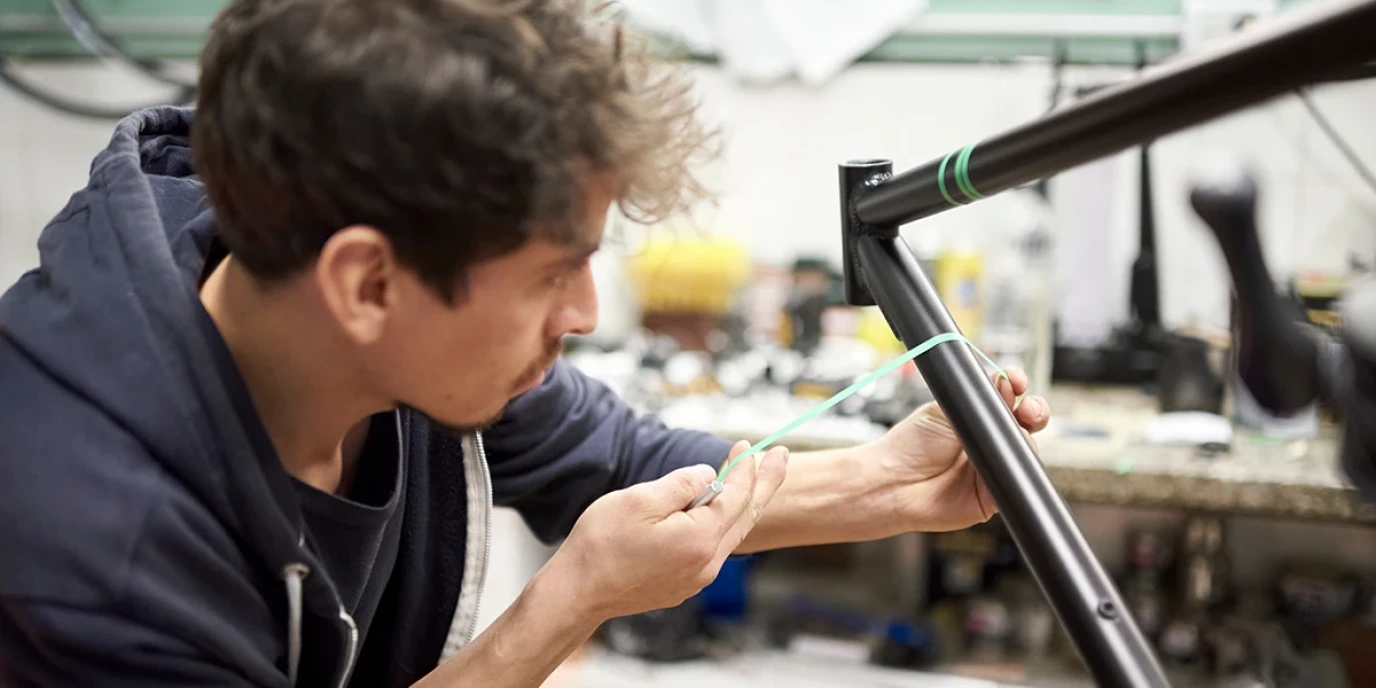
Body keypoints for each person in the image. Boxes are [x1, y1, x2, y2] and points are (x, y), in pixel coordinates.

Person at [0, 1, 1050, 686]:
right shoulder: (100, 547)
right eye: (554, 271)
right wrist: (571, 597)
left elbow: (625, 468)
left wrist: (893, 483)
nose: (587, 313)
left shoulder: (379, 311)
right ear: (367, 283)